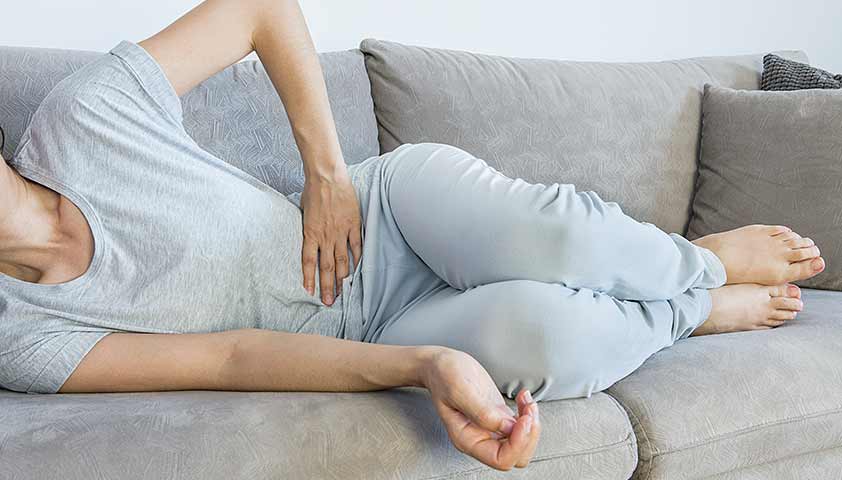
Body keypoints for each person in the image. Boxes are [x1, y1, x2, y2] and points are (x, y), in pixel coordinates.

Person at [0, 0, 825, 472]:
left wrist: (326, 175)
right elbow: (229, 359)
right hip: (371, 330)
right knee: (548, 340)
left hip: (389, 213)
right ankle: (689, 308)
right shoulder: (23, 339)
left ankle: (696, 261)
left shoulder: (81, 116)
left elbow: (258, 8)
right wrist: (423, 365)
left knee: (555, 240)